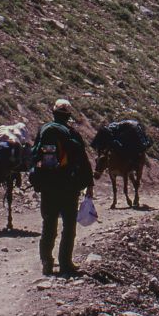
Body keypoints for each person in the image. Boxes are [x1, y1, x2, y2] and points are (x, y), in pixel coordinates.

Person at [30, 99, 94, 276]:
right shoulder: (72, 133)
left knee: (48, 224)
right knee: (69, 226)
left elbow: (34, 155)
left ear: (53, 113)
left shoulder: (43, 131)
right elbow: (82, 159)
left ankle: (46, 261)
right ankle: (65, 263)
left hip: (48, 185)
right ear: (68, 116)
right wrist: (89, 183)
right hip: (68, 186)